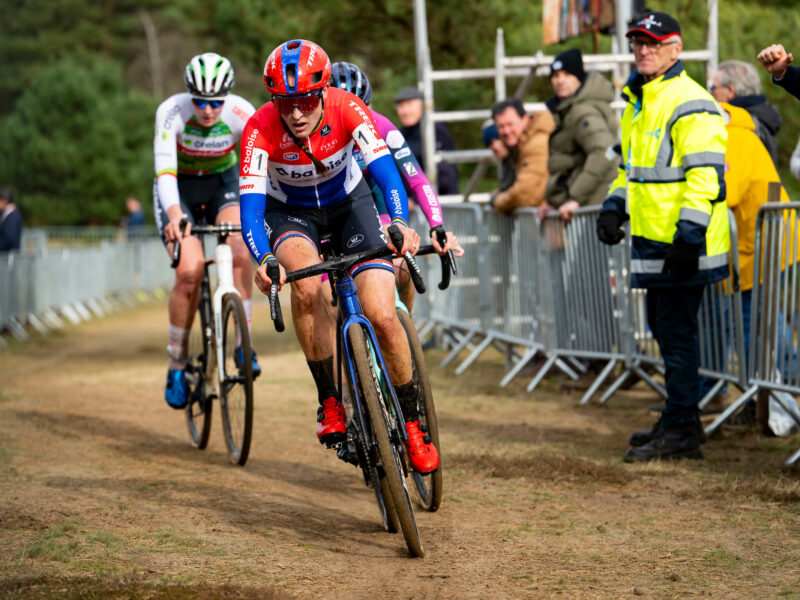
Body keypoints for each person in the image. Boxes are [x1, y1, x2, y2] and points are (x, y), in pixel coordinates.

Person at [239, 40, 439, 473]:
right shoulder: (258, 128)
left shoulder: (350, 109)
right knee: (307, 286)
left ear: (324, 91)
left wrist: (401, 221)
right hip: (290, 214)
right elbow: (251, 211)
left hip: (351, 205)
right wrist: (263, 258)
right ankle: (330, 399)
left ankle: (413, 421)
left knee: (383, 314)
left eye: (307, 100)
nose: (296, 113)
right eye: (285, 102)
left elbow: (388, 175)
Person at [596, 11, 729, 462]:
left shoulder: (690, 99)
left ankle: (682, 431)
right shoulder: (640, 100)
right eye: (637, 42)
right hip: (654, 242)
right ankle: (680, 419)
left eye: (652, 42)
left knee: (676, 334)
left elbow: (705, 175)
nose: (643, 49)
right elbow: (630, 172)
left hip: (683, 242)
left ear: (676, 49)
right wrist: (615, 204)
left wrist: (689, 234)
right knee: (664, 330)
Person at [153, 52, 258, 409]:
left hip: (222, 185)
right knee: (189, 273)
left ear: (226, 96)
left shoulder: (242, 112)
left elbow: (259, 167)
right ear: (188, 94)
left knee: (242, 250)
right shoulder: (172, 112)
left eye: (215, 102)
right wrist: (172, 215)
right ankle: (177, 362)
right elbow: (165, 170)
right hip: (180, 189)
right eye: (200, 101)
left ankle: (244, 345)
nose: (208, 109)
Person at [329, 61, 463, 311]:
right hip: (336, 207)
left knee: (401, 267)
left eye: (360, 108)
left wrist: (437, 225)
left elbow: (417, 179)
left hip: (375, 201)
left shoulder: (383, 126)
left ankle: (404, 327)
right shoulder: (317, 138)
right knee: (328, 296)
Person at [544, 48, 618, 222]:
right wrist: (555, 203)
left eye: (567, 74)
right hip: (588, 205)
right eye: (555, 76)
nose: (560, 81)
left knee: (593, 250)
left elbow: (604, 152)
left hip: (592, 206)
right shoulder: (569, 110)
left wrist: (575, 198)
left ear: (579, 77)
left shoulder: (582, 111)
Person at [489, 97, 555, 216]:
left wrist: (497, 200)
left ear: (524, 119)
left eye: (510, 124)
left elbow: (525, 193)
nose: (506, 131)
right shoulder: (521, 146)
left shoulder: (535, 144)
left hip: (551, 221)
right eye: (501, 127)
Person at [710, 60, 782, 168]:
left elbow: (770, 177)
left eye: (713, 88)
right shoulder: (763, 117)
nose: (710, 93)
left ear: (730, 90)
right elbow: (773, 178)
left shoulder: (747, 124)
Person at [394, 86, 460, 196]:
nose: (405, 111)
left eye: (409, 105)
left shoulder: (436, 130)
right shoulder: (399, 135)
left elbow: (444, 176)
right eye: (401, 106)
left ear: (422, 106)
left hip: (441, 203)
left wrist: (415, 200)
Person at [481, 118, 515, 193]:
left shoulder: (521, 159)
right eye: (489, 144)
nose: (495, 147)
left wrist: (497, 197)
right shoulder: (502, 163)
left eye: (498, 139)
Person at [0, 187, 23, 252]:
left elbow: (9, 238)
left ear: (5, 201)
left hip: (9, 257)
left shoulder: (12, 215)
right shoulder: (9, 214)